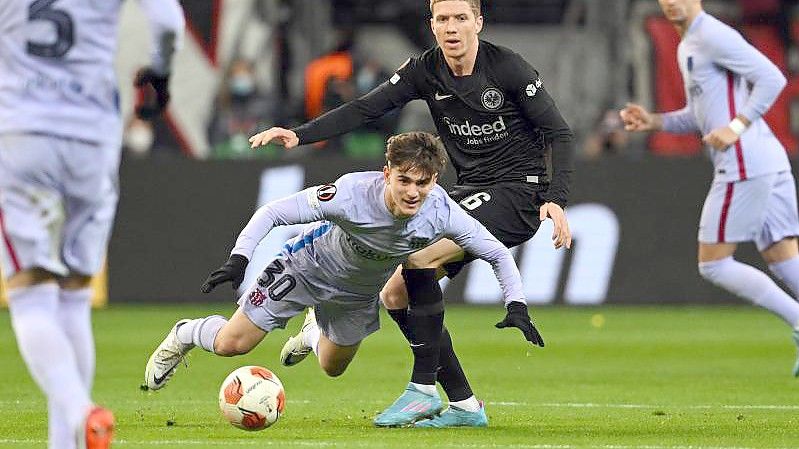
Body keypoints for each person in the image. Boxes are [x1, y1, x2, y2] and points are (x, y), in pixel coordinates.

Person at [248, 0, 574, 427]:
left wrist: (557, 198)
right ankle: (464, 405)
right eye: (443, 19)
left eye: (461, 18)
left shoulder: (509, 69)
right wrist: (299, 134)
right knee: (395, 294)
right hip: (468, 189)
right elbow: (367, 107)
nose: (452, 28)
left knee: (419, 256)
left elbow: (560, 133)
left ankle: (421, 390)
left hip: (517, 192)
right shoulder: (425, 69)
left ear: (478, 22)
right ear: (432, 24)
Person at [142, 132, 543, 431]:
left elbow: (495, 251)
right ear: (387, 174)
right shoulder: (351, 193)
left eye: (423, 183)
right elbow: (273, 212)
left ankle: (312, 332)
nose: (413, 192)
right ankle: (186, 333)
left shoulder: (443, 212)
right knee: (234, 344)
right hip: (305, 267)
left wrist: (517, 303)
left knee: (332, 368)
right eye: (404, 180)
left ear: (435, 181)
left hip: (357, 294)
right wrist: (239, 257)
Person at [0, 1, 184, 448]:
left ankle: (81, 410)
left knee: (30, 296)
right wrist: (159, 74)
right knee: (75, 298)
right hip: (93, 136)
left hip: (21, 132)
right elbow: (168, 22)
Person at [620, 0, 799, 376]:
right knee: (784, 258)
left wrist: (736, 127)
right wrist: (654, 121)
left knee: (714, 264)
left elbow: (773, 78)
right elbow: (701, 117)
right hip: (767, 158)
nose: (670, 2)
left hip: (745, 161)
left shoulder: (712, 34)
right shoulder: (690, 42)